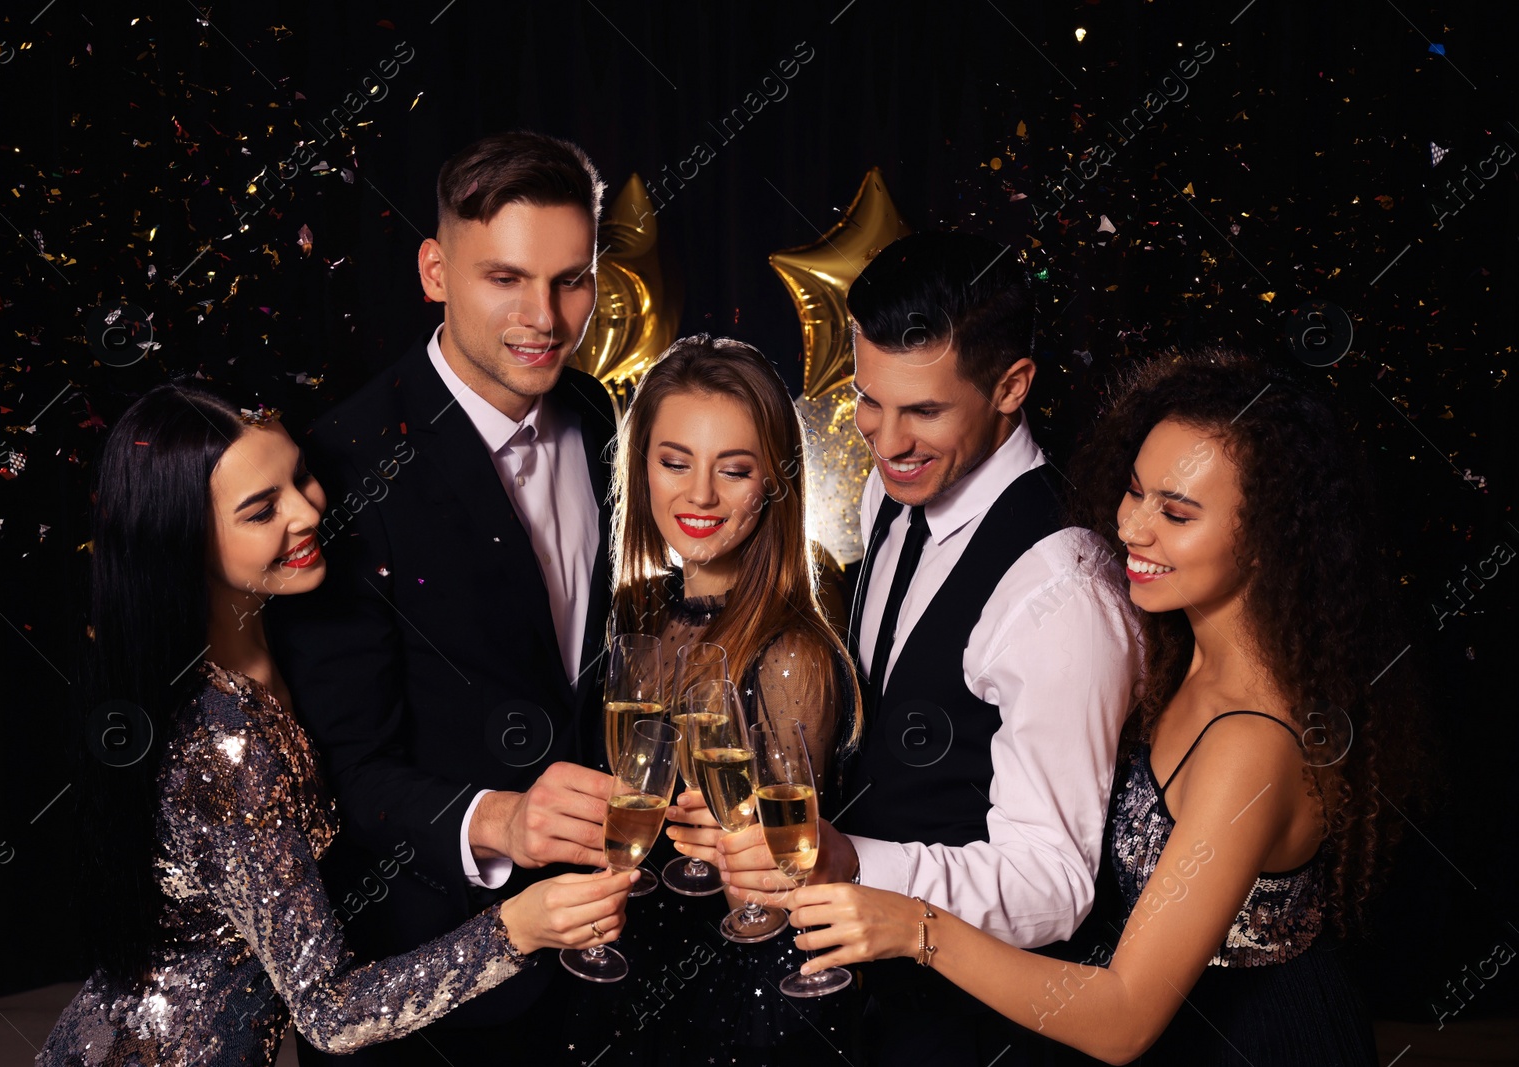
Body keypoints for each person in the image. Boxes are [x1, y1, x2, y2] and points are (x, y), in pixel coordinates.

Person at [783, 351, 1425, 1064]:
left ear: (1269, 536)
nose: (1134, 526)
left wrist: (916, 926)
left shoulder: (1254, 744)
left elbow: (1123, 1017)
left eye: (1176, 512)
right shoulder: (1177, 653)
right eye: (1135, 491)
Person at [38, 384, 635, 1067]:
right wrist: (517, 927)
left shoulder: (285, 647)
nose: (308, 509)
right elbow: (329, 1011)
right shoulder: (222, 745)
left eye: (300, 476)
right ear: (182, 542)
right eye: (263, 510)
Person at [716, 230, 1143, 1064]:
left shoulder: (1065, 593)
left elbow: (1054, 883)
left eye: (925, 411)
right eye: (871, 398)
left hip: (971, 1032)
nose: (886, 438)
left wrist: (852, 861)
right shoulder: (894, 484)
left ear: (1012, 385)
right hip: (861, 1003)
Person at [264, 130, 623, 1064]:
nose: (544, 316)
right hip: (430, 985)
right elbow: (340, 768)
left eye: (570, 279)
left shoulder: (598, 417)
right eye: (504, 278)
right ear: (435, 271)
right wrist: (500, 818)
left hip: (602, 956)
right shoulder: (340, 466)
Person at [566, 335, 864, 1063]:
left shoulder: (790, 653)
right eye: (675, 462)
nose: (699, 495)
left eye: (733, 470)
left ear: (774, 482)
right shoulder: (633, 611)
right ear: (641, 469)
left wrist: (738, 863)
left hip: (735, 1019)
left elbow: (776, 902)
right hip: (618, 996)